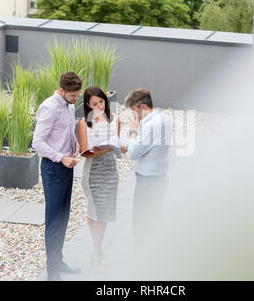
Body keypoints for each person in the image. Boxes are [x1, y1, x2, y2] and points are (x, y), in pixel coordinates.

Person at [32, 71, 82, 281]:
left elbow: (67, 132)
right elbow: (38, 143)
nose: (75, 99)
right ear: (61, 90)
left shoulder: (69, 106)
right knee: (53, 221)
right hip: (53, 169)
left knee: (63, 217)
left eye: (77, 95)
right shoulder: (49, 107)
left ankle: (58, 262)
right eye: (72, 96)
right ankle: (52, 273)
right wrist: (61, 158)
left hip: (67, 166)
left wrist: (76, 144)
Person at [77, 86, 126, 272]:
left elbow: (117, 143)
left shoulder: (115, 120)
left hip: (111, 171)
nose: (99, 105)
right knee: (97, 212)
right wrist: (101, 150)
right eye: (94, 103)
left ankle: (97, 250)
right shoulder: (84, 124)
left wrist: (120, 148)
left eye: (101, 101)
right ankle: (97, 253)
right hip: (93, 172)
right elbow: (84, 152)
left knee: (103, 214)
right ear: (88, 106)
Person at [124, 88, 172, 251]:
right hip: (160, 177)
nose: (134, 116)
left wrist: (133, 131)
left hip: (147, 181)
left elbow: (133, 153)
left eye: (134, 111)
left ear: (143, 107)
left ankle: (142, 258)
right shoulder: (164, 119)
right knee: (155, 217)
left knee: (141, 222)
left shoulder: (150, 126)